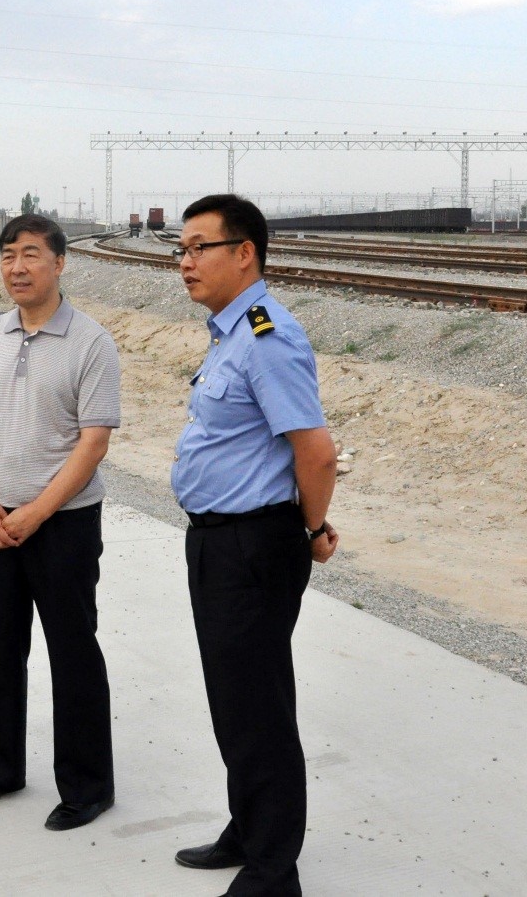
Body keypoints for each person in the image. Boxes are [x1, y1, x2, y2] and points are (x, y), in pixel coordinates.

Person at [168, 195, 340, 896]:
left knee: (257, 707)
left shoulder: (267, 336)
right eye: (180, 250)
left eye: (198, 248)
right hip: (219, 542)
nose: (185, 262)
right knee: (233, 699)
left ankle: (273, 869)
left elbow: (315, 451)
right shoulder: (231, 333)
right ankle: (248, 828)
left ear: (244, 253)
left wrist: (311, 530)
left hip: (253, 545)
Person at [0, 213, 121, 831]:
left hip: (64, 526)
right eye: (7, 256)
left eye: (30, 254)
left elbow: (94, 442)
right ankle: (1, 769)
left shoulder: (92, 342)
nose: (17, 267)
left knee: (73, 653)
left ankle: (87, 786)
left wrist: (36, 511)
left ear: (59, 263)